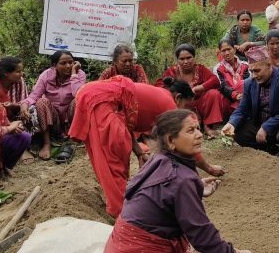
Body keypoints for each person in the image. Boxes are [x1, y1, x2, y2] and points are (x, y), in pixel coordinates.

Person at [69, 77, 225, 217]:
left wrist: (138, 152)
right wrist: (209, 168)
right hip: (101, 101)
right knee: (112, 161)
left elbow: (126, 121)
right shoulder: (169, 105)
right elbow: (186, 143)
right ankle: (124, 215)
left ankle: (123, 208)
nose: (184, 112)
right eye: (185, 107)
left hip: (96, 96)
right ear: (178, 98)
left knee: (113, 160)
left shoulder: (159, 96)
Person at [105, 109, 250, 253]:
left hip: (120, 243)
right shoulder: (182, 179)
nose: (199, 135)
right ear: (170, 140)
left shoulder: (158, 159)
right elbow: (202, 236)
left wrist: (196, 187)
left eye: (199, 129)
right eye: (191, 130)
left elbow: (164, 192)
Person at [222, 47, 279, 165]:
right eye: (251, 71)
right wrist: (231, 124)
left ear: (269, 65)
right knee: (238, 130)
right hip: (261, 124)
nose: (254, 75)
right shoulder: (249, 83)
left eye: (257, 70)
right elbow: (242, 109)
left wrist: (267, 126)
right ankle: (273, 153)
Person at [156, 44, 233, 138]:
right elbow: (159, 86)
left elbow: (214, 80)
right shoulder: (172, 71)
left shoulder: (200, 69)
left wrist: (199, 88)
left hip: (199, 104)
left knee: (213, 94)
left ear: (194, 58)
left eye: (189, 58)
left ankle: (208, 125)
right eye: (182, 59)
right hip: (182, 107)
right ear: (177, 60)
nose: (185, 61)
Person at [24, 51, 86, 161]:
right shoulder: (46, 75)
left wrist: (73, 74)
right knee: (41, 101)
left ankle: (73, 140)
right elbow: (35, 95)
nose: (68, 66)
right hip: (53, 120)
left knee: (79, 99)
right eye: (63, 63)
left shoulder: (79, 74)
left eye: (71, 62)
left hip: (71, 119)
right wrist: (25, 104)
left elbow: (79, 94)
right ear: (54, 65)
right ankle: (46, 143)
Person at [0, 56, 41, 135]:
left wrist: (15, 105)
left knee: (32, 109)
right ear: (6, 73)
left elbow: (24, 101)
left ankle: (30, 137)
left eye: (21, 71)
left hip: (13, 118)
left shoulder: (19, 81)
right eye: (18, 71)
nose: (21, 74)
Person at [213, 39, 249, 109]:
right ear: (220, 53)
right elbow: (222, 86)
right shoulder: (218, 68)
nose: (227, 53)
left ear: (234, 50)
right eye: (223, 51)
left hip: (244, 96)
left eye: (229, 49)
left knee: (244, 83)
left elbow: (248, 83)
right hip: (228, 97)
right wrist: (235, 95)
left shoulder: (245, 65)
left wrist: (240, 95)